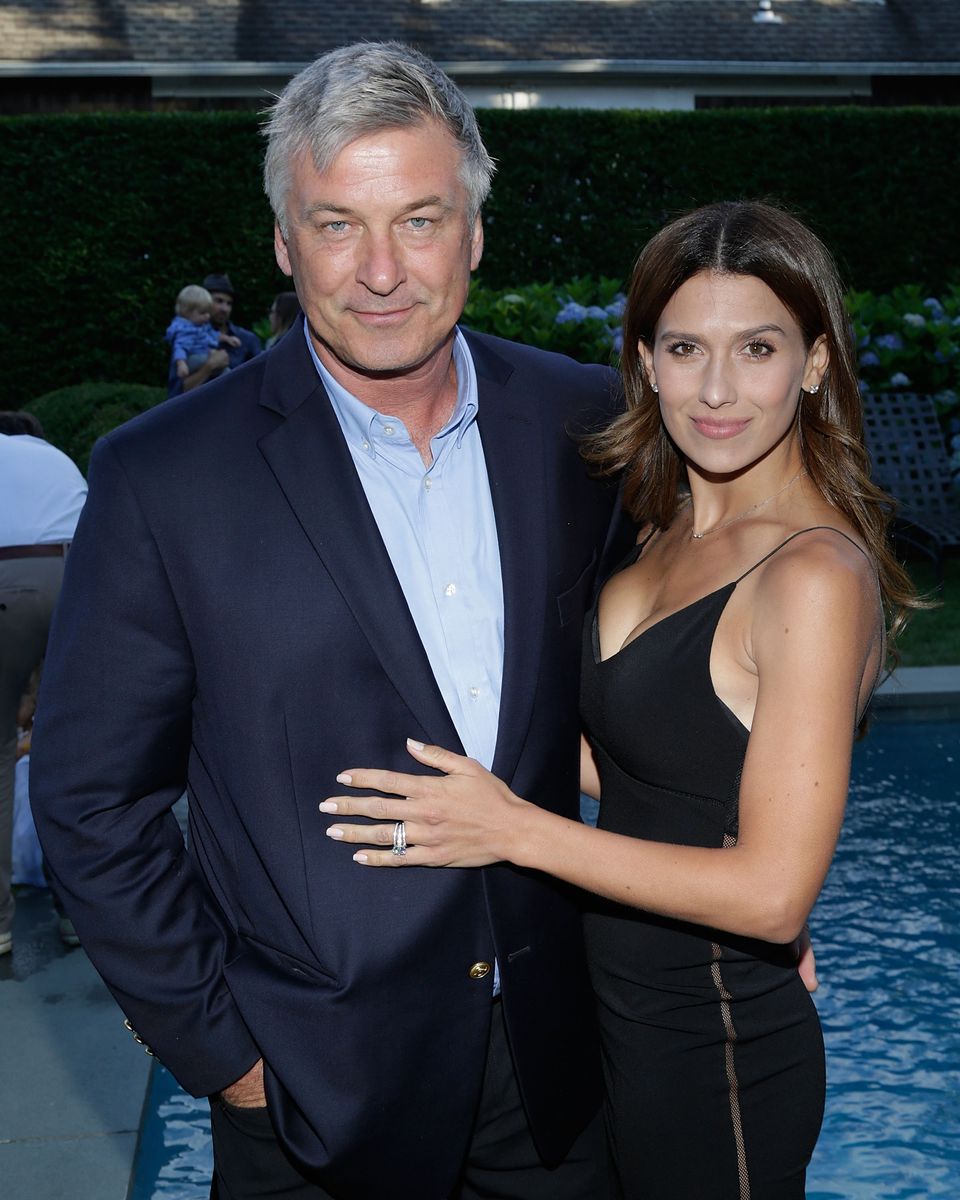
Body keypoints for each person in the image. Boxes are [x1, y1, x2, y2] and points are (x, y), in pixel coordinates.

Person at [30, 42, 630, 1200]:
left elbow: (660, 696)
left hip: (562, 1076)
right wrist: (229, 1056)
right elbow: (90, 799)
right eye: (337, 224)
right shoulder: (165, 478)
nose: (382, 271)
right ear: (282, 242)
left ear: (475, 232)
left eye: (419, 218)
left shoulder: (582, 423)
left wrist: (737, 907)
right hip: (312, 1096)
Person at [316, 201, 921, 1198]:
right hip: (611, 1020)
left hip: (714, 1044)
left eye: (758, 348)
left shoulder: (814, 576)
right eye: (686, 347)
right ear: (643, 360)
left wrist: (512, 830)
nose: (717, 389)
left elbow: (774, 897)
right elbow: (640, 759)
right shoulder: (658, 531)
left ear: (814, 362)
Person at [0, 416, 87, 954]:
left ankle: (0, 924)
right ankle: (77, 912)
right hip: (72, 572)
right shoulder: (51, 455)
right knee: (67, 750)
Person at [168, 272, 262, 397]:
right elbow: (176, 394)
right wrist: (209, 367)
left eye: (229, 303)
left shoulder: (247, 340)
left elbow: (261, 386)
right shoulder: (188, 335)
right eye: (218, 301)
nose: (225, 309)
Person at [165, 285, 241, 382]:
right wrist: (181, 364)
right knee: (218, 362)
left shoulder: (201, 325)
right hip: (192, 359)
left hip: (201, 355)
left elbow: (213, 335)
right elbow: (180, 348)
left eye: (208, 313)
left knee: (222, 366)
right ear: (187, 313)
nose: (207, 316)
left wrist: (227, 338)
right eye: (202, 313)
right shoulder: (184, 330)